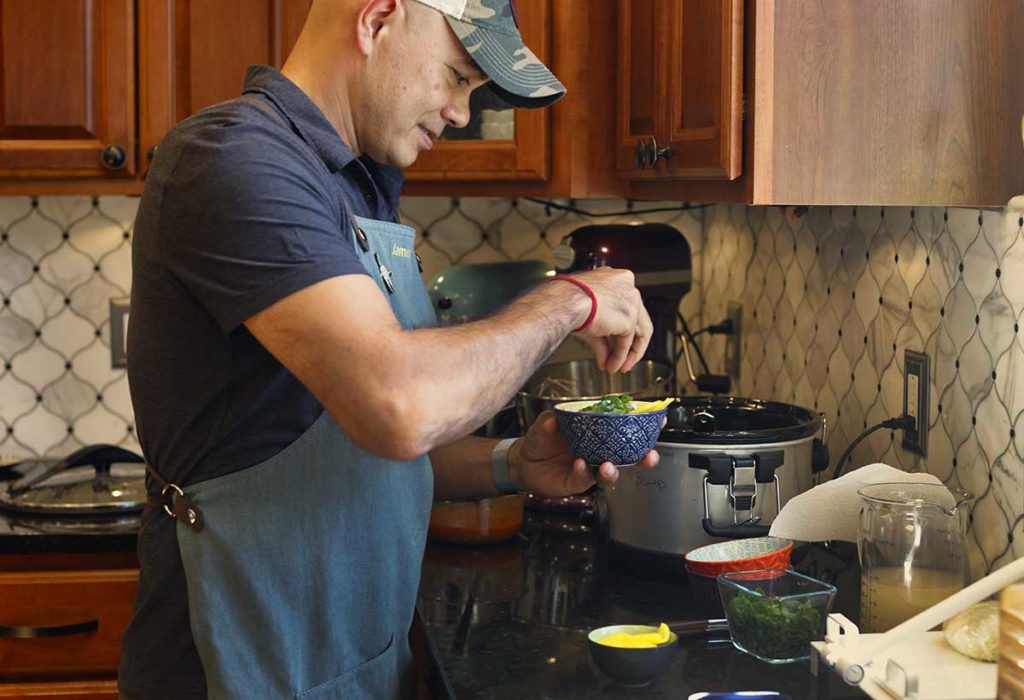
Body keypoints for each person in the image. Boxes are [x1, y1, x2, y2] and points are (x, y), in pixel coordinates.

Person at [118, 1, 658, 698]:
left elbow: (348, 448)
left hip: (348, 664)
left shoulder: (353, 184)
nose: (463, 112)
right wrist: (567, 299)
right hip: (239, 668)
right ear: (375, 19)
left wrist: (511, 463)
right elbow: (398, 405)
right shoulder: (232, 159)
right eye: (457, 75)